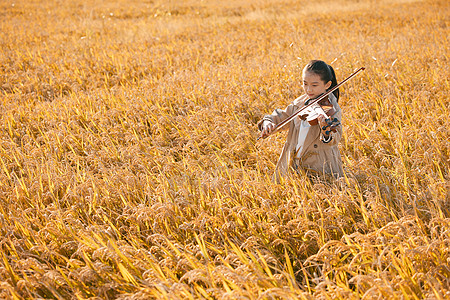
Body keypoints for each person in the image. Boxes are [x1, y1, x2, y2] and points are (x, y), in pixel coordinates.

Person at [258, 60, 344, 182]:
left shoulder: (331, 108)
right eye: (305, 84)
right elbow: (283, 115)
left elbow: (335, 136)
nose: (309, 90)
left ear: (327, 85)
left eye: (314, 85)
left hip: (319, 164)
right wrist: (268, 122)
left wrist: (326, 132)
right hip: (293, 163)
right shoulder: (300, 102)